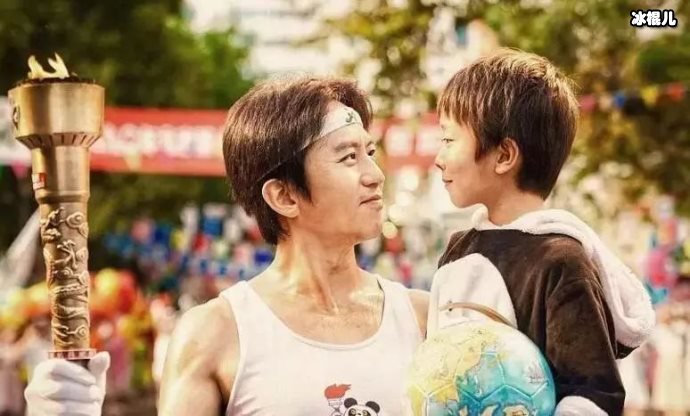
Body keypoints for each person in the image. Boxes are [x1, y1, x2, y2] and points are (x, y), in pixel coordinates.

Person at [23, 76, 428, 416]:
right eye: (348, 158)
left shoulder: (425, 319)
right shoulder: (216, 335)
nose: (375, 175)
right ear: (284, 196)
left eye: (370, 152)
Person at [427, 49, 655, 415]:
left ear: (504, 156)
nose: (438, 158)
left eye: (449, 140)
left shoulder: (560, 261)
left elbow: (595, 393)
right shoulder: (458, 250)